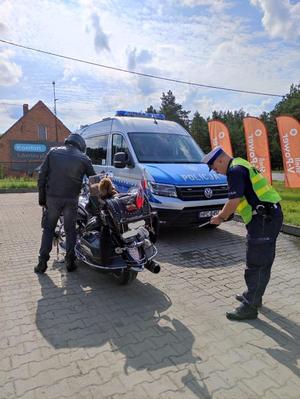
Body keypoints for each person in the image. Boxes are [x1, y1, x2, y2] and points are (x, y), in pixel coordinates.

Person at [202, 146, 283, 321]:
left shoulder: (234, 171)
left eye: (215, 167)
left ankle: (249, 307)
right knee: (262, 261)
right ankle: (254, 296)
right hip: (267, 217)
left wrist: (220, 218)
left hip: (263, 219)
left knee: (256, 263)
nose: (216, 172)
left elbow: (233, 201)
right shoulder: (241, 163)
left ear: (221, 159)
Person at [35, 133, 95, 274]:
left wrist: (42, 199)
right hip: (71, 199)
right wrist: (96, 204)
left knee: (48, 230)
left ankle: (42, 264)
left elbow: (41, 177)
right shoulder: (84, 158)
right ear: (80, 145)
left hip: (52, 198)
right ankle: (70, 262)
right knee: (70, 231)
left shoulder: (53, 152)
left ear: (68, 141)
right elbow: (94, 183)